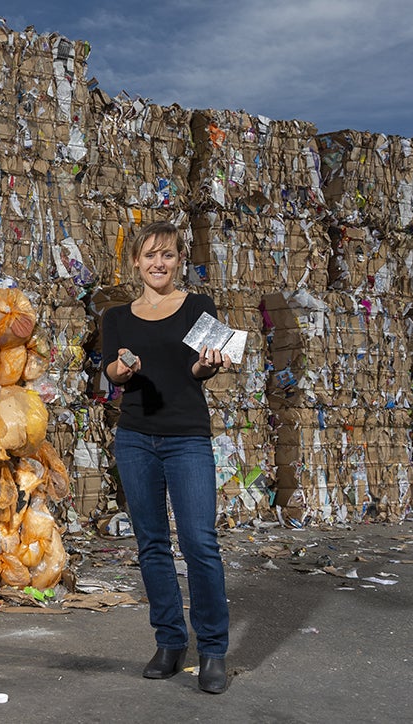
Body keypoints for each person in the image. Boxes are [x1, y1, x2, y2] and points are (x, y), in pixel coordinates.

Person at [100, 220, 232, 694]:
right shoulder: (116, 316)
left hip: (186, 437)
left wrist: (206, 364)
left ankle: (213, 649)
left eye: (169, 255)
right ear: (135, 261)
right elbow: (111, 373)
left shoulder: (199, 306)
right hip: (135, 437)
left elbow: (199, 367)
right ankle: (170, 642)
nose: (159, 264)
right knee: (152, 544)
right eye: (151, 255)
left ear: (179, 261)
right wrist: (123, 368)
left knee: (199, 542)